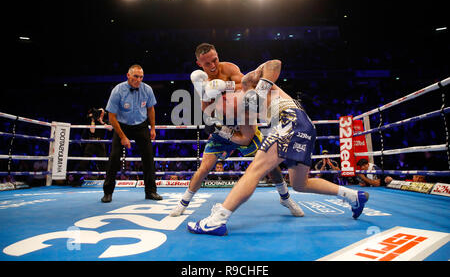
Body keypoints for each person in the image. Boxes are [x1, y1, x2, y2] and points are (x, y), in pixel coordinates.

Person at [187, 59, 369, 236]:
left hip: (289, 121)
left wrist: (260, 88)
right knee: (300, 184)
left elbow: (275, 63)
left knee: (254, 171)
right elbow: (243, 134)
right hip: (304, 126)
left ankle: (217, 221)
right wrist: (220, 128)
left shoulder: (249, 79)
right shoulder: (239, 98)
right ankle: (353, 196)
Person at [170, 44, 303, 217]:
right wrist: (211, 110)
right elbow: (205, 107)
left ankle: (285, 197)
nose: (212, 66)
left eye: (214, 60)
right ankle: (183, 203)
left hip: (244, 122)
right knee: (204, 168)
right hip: (223, 126)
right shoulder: (202, 82)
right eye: (206, 64)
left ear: (218, 55)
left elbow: (247, 86)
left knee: (268, 164)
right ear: (199, 64)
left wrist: (222, 86)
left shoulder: (229, 68)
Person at [101, 64, 162, 202]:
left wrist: (152, 128)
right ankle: (107, 192)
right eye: (135, 76)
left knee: (148, 158)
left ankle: (151, 192)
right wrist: (122, 136)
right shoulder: (118, 90)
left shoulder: (147, 89)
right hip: (122, 126)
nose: (138, 79)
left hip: (141, 126)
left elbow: (151, 109)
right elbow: (111, 116)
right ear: (128, 75)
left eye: (141, 77)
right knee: (114, 158)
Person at [79, 108, 110, 173]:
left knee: (102, 161)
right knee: (85, 160)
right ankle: (76, 177)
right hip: (92, 141)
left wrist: (101, 122)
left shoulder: (105, 120)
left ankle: (103, 177)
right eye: (99, 112)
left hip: (101, 142)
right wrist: (93, 120)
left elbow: (110, 129)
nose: (101, 113)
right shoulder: (93, 119)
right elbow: (92, 131)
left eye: (102, 112)